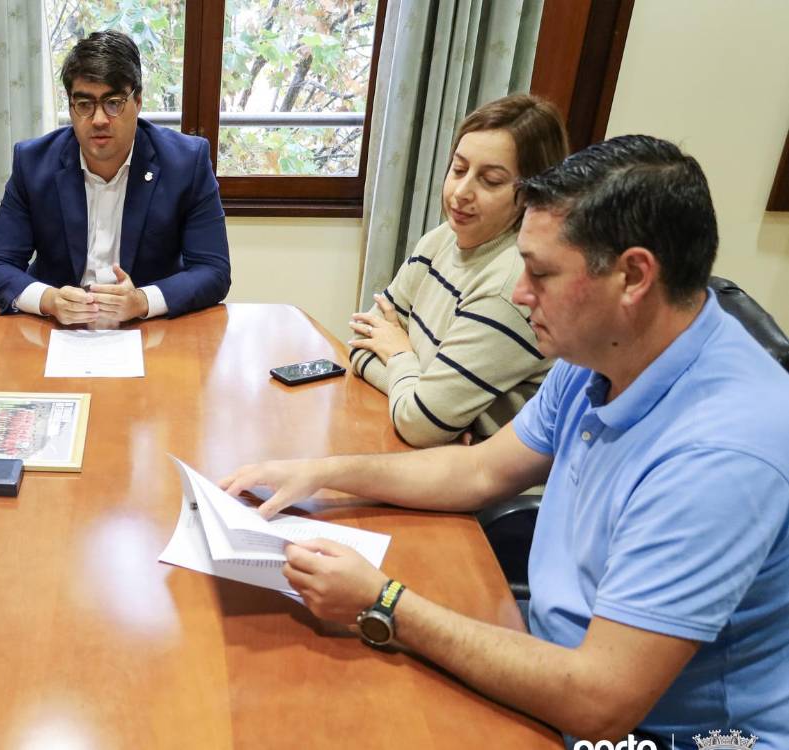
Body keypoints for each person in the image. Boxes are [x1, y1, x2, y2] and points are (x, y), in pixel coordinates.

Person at [221, 136, 789, 745]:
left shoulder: (721, 454)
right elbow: (483, 472)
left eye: (541, 273)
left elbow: (600, 703)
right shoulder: (604, 350)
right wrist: (324, 471)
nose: (520, 293)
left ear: (633, 276)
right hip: (553, 657)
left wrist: (383, 602)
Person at [349, 95, 567, 447]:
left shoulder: (510, 286)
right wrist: (420, 398)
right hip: (426, 454)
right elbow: (360, 345)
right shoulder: (442, 239)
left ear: (531, 193)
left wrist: (400, 355)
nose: (462, 193)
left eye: (491, 180)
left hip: (477, 488)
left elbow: (419, 425)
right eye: (459, 169)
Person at [0, 30, 231, 325]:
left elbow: (213, 270)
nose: (98, 119)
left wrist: (142, 301)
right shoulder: (33, 163)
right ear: (71, 106)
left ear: (138, 101)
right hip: (57, 330)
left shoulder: (186, 162)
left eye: (113, 103)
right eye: (84, 104)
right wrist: (50, 300)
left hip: (148, 329)